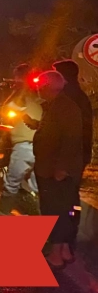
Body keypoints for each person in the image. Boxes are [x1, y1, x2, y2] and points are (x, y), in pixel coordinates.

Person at [29, 71, 84, 269]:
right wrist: (36, 125)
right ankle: (64, 250)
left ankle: (56, 255)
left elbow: (71, 139)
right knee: (61, 209)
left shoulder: (64, 107)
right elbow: (55, 131)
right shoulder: (56, 105)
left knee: (54, 211)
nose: (37, 89)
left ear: (47, 87)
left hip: (55, 171)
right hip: (51, 168)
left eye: (40, 85)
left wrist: (61, 168)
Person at [53, 59, 94, 254]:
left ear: (65, 77)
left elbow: (71, 135)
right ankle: (66, 243)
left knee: (64, 200)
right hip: (76, 157)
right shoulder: (78, 96)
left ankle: (65, 245)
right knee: (69, 199)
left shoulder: (70, 99)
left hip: (69, 159)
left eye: (57, 75)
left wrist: (62, 164)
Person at [0, 64, 42, 207]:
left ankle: (5, 207)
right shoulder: (41, 93)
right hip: (43, 144)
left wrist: (17, 90)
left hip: (25, 144)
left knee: (13, 178)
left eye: (17, 77)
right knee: (38, 182)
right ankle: (36, 207)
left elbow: (6, 109)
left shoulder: (23, 95)